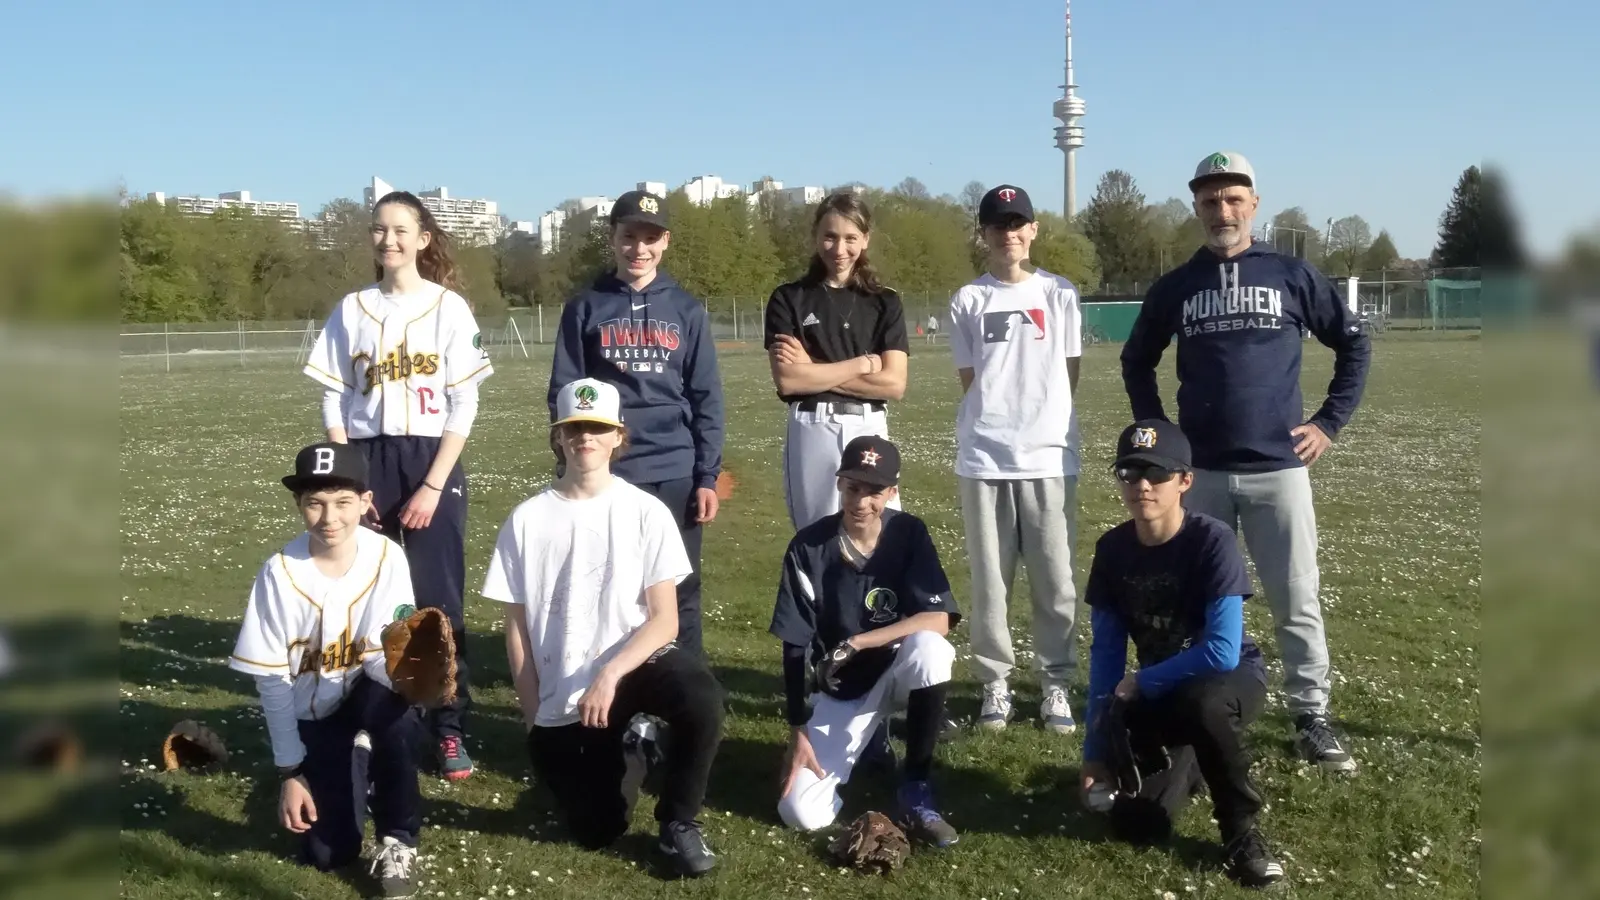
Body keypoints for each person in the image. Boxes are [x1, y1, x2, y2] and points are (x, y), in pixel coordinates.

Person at [1120, 151, 1371, 773]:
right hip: (1197, 475)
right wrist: (1161, 436)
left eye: (1233, 198)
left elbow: (1354, 344)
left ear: (1254, 203)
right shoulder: (1178, 285)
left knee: (1295, 598)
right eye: (1209, 201)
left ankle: (1311, 714)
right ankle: (1198, 711)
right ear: (1197, 209)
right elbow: (1136, 360)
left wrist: (1328, 422)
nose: (1221, 210)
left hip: (1278, 468)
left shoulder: (1291, 274)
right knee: (1197, 603)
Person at [486, 378, 725, 878]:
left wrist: (612, 673)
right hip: (568, 689)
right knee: (595, 831)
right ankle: (634, 746)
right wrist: (534, 719)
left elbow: (665, 620)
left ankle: (678, 822)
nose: (584, 439)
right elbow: (517, 632)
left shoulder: (645, 511)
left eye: (597, 428)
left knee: (700, 696)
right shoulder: (526, 519)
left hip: (633, 663)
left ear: (618, 436)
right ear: (558, 436)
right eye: (574, 428)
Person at [302, 190, 493, 782]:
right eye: (379, 230)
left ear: (423, 238)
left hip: (431, 458)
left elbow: (466, 402)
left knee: (437, 599)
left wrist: (433, 485)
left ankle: (449, 726)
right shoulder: (353, 308)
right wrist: (350, 476)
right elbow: (334, 393)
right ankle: (371, 718)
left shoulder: (449, 308)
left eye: (401, 230)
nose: (389, 240)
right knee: (364, 592)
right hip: (367, 461)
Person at [1079, 419, 1284, 889]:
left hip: (1229, 680)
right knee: (1138, 826)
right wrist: (1094, 756)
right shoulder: (1112, 549)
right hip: (1163, 691)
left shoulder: (1211, 540)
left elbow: (1222, 651)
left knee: (1205, 705)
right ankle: (1189, 761)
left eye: (1157, 473)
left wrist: (1140, 683)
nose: (1142, 485)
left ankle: (1241, 833)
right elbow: (1106, 657)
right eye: (1130, 473)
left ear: (1185, 481)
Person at [228, 441, 427, 898]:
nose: (329, 517)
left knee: (400, 715)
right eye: (314, 503)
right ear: (299, 505)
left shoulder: (387, 557)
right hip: (311, 712)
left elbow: (383, 651)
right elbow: (273, 682)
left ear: (365, 502)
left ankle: (399, 838)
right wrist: (290, 773)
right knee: (327, 853)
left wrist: (407, 680)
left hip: (365, 689)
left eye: (342, 502)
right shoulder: (279, 573)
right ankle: (356, 753)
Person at [548, 189, 725, 661]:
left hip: (673, 468)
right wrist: (572, 462)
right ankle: (607, 680)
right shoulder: (585, 306)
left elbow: (706, 396)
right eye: (629, 237)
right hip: (611, 468)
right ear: (614, 238)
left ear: (665, 241)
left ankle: (686, 686)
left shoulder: (686, 310)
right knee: (607, 582)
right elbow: (563, 392)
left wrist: (707, 476)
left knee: (679, 584)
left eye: (650, 237)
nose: (639, 249)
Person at [770, 436, 961, 848]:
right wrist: (797, 729)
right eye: (853, 487)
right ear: (839, 484)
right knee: (800, 813)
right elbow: (794, 643)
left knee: (932, 650)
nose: (861, 502)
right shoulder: (808, 546)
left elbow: (940, 618)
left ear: (891, 492)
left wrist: (861, 640)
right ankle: (871, 739)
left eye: (874, 491)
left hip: (898, 670)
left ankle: (915, 788)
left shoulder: (908, 532)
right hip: (843, 688)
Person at [947, 184, 1084, 734]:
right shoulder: (968, 300)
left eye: (1017, 222)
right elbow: (970, 380)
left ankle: (1054, 685)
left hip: (1049, 458)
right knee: (990, 583)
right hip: (985, 459)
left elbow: (1069, 373)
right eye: (997, 224)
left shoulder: (1060, 294)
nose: (1008, 233)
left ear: (1033, 230)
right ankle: (995, 685)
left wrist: (1044, 424)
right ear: (984, 234)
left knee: (1056, 582)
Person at [764, 191, 910, 532]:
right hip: (813, 426)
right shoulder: (790, 298)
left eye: (850, 238)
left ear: (865, 239)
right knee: (817, 536)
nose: (839, 249)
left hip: (869, 425)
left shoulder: (885, 303)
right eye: (829, 236)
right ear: (816, 236)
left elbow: (894, 384)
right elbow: (789, 381)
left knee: (878, 534)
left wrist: (813, 370)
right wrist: (862, 364)